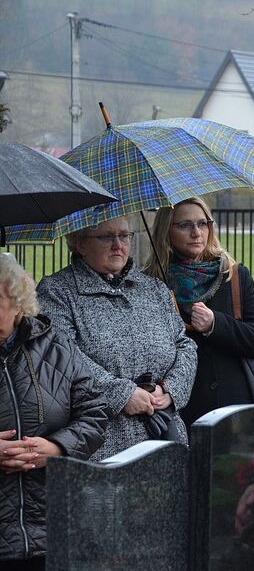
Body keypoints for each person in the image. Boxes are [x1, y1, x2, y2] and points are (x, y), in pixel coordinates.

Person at [36, 216, 197, 460]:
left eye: (124, 236)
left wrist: (171, 390)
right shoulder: (57, 292)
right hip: (99, 442)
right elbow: (61, 356)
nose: (118, 245)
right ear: (79, 243)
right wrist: (121, 395)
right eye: (106, 237)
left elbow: (184, 344)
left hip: (165, 434)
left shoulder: (154, 289)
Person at [0, 254, 107, 570]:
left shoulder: (54, 345)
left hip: (51, 528)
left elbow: (95, 412)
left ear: (18, 303)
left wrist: (58, 447)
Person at [144, 197, 254, 429]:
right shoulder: (150, 283)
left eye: (203, 223)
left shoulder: (232, 275)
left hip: (234, 411)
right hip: (178, 411)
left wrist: (216, 324)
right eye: (185, 225)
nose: (196, 232)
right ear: (166, 231)